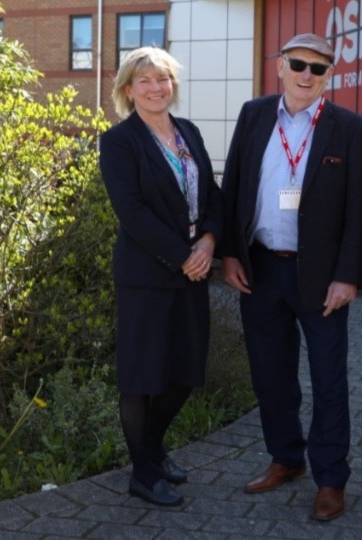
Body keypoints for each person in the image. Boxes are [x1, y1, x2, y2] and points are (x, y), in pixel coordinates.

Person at [218, 33, 362, 522]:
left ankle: (330, 478)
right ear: (280, 67)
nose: (308, 75)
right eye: (299, 65)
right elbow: (234, 186)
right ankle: (286, 458)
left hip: (321, 277)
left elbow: (360, 212)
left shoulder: (350, 129)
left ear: (330, 77)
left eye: (319, 68)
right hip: (260, 267)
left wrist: (348, 276)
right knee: (271, 374)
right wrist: (229, 253)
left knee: (329, 379)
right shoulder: (254, 114)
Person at [99, 47, 222, 507]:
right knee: (141, 377)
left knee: (184, 374)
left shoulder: (187, 132)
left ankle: (150, 449)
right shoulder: (119, 142)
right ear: (129, 90)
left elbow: (212, 194)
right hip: (146, 277)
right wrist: (183, 256)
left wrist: (209, 241)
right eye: (145, 81)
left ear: (173, 85)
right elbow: (131, 211)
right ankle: (144, 473)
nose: (155, 88)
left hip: (192, 270)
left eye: (163, 79)